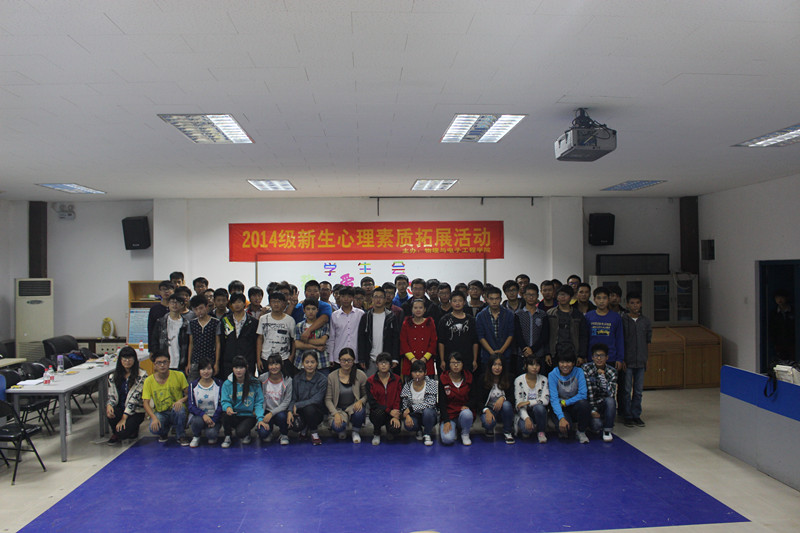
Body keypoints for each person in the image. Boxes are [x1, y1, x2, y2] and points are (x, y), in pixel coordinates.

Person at [142, 352, 190, 446]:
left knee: (180, 410)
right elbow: (145, 403)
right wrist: (153, 417)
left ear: (169, 362)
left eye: (165, 362)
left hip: (175, 409)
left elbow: (189, 394)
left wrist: (181, 400)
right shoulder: (148, 381)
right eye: (159, 363)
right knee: (153, 429)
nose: (162, 365)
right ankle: (163, 432)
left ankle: (181, 435)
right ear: (154, 365)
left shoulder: (179, 375)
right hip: (161, 412)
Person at [622, 291, 652, 427]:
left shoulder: (645, 321)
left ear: (641, 304)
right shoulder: (623, 320)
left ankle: (636, 415)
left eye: (637, 303)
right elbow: (621, 341)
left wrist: (647, 359)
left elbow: (647, 342)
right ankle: (627, 415)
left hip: (641, 360)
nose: (635, 305)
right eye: (632, 303)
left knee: (638, 391)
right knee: (626, 390)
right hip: (627, 361)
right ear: (627, 304)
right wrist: (622, 358)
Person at [105, 346, 148, 445]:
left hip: (135, 411)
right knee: (110, 411)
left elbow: (134, 399)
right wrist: (109, 405)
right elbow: (111, 395)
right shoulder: (113, 376)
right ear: (120, 360)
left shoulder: (142, 376)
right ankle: (115, 432)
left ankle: (130, 429)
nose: (127, 361)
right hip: (120, 408)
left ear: (134, 360)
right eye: (124, 359)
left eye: (130, 359)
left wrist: (124, 418)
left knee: (123, 434)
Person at [220, 355, 264, 448]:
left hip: (249, 416)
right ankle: (227, 436)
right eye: (236, 368)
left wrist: (260, 418)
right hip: (234, 414)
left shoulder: (254, 383)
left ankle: (246, 432)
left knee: (240, 432)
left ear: (246, 367)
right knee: (224, 415)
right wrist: (228, 407)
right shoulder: (227, 384)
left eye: (241, 367)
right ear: (232, 368)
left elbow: (259, 402)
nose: (238, 370)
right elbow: (224, 400)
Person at [325, 348, 368, 443]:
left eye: (349, 360)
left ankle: (355, 431)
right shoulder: (332, 376)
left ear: (354, 361)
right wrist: (335, 414)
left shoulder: (360, 375)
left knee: (360, 411)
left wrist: (360, 401)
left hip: (353, 407)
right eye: (343, 360)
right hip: (338, 409)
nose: (346, 363)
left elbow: (366, 395)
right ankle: (342, 428)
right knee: (337, 427)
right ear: (339, 360)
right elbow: (328, 400)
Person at [548, 352, 591, 444]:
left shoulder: (579, 372)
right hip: (559, 407)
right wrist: (561, 418)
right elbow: (554, 399)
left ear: (573, 363)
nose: (565, 365)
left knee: (584, 404)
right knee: (565, 430)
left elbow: (583, 394)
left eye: (568, 362)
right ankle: (563, 423)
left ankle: (581, 431)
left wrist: (565, 402)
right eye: (562, 362)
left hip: (573, 405)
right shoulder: (552, 375)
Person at [357, 286, 400, 376]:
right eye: (376, 297)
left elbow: (395, 338)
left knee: (386, 383)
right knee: (370, 383)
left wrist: (395, 358)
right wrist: (361, 358)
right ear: (372, 299)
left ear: (385, 299)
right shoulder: (366, 316)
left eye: (381, 297)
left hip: (387, 359)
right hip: (370, 359)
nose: (378, 300)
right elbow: (361, 338)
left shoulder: (391, 317)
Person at [288, 351, 327, 445]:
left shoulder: (322, 379)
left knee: (309, 408)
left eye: (312, 362)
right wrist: (290, 410)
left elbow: (317, 399)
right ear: (302, 364)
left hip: (316, 412)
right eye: (307, 362)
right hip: (300, 411)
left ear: (317, 363)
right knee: (295, 425)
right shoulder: (297, 378)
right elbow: (293, 398)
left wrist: (297, 405)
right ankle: (305, 427)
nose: (310, 365)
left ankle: (314, 433)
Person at [475, 353, 515, 444]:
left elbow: (513, 398)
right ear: (490, 366)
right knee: (488, 423)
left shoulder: (509, 377)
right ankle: (489, 428)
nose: (497, 368)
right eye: (494, 365)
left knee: (507, 404)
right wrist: (486, 411)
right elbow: (479, 400)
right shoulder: (482, 378)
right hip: (489, 409)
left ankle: (507, 431)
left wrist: (503, 398)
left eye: (500, 365)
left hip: (503, 410)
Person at [545, 285, 589, 366]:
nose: (563, 297)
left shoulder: (578, 315)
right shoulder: (550, 314)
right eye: (560, 294)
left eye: (566, 295)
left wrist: (581, 355)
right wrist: (547, 353)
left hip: (573, 353)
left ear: (571, 297)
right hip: (554, 353)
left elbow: (583, 336)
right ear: (556, 296)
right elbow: (546, 335)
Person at [476, 286, 516, 373]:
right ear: (487, 299)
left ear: (501, 299)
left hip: (505, 355)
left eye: (497, 299)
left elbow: (511, 334)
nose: (494, 302)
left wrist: (501, 351)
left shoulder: (509, 314)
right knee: (487, 380)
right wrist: (492, 352)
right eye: (491, 299)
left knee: (505, 379)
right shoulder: (481, 316)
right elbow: (480, 336)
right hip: (487, 356)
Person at [438, 290, 479, 373]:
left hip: (467, 358)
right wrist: (442, 360)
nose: (457, 303)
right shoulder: (444, 319)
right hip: (449, 358)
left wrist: (475, 360)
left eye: (460, 301)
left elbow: (475, 341)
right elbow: (441, 342)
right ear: (450, 302)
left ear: (464, 302)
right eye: (454, 301)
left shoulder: (471, 320)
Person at [439, 351, 475, 446]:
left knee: (467, 414)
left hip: (463, 413)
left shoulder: (469, 377)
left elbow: (474, 398)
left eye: (458, 362)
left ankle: (465, 433)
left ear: (462, 364)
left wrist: (467, 405)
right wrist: (446, 420)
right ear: (449, 364)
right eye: (453, 363)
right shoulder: (443, 378)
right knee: (447, 439)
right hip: (449, 415)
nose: (456, 365)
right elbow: (441, 403)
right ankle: (453, 428)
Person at [366, 352, 403, 445]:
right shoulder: (370, 381)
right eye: (381, 362)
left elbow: (399, 398)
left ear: (390, 365)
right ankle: (377, 432)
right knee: (378, 414)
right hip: (378, 412)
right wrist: (388, 410)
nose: (383, 365)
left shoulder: (397, 379)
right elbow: (372, 402)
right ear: (376, 364)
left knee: (395, 430)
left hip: (393, 412)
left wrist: (396, 414)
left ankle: (389, 429)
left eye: (386, 363)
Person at [583, 343, 617, 442]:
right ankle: (595, 421)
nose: (599, 358)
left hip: (603, 404)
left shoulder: (612, 371)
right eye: (596, 355)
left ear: (607, 357)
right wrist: (592, 410)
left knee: (611, 401)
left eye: (601, 356)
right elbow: (588, 391)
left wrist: (603, 377)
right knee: (596, 426)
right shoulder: (586, 368)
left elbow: (611, 393)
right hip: (590, 405)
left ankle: (607, 430)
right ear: (592, 357)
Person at [219, 292, 259, 377]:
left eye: (239, 302)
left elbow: (255, 343)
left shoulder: (253, 322)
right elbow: (222, 342)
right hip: (229, 361)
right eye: (234, 302)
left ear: (244, 303)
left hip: (247, 361)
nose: (236, 304)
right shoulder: (225, 320)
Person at [256, 291, 296, 376]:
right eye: (273, 301)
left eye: (279, 301)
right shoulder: (263, 318)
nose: (276, 304)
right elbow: (260, 338)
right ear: (270, 303)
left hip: (284, 359)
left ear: (284, 303)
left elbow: (294, 340)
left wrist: (291, 357)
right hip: (265, 358)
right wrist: (258, 359)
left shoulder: (290, 320)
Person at [257, 354, 293, 445]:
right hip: (266, 411)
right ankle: (269, 432)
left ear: (281, 365)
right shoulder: (262, 378)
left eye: (276, 364)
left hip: (280, 411)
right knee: (263, 433)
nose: (274, 367)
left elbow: (286, 402)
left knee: (282, 417)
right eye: (271, 364)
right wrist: (260, 416)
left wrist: (271, 413)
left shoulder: (288, 380)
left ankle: (284, 434)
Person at [400, 359, 438, 446]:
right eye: (415, 372)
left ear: (425, 372)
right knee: (407, 424)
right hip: (414, 415)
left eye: (420, 372)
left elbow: (431, 403)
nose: (417, 374)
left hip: (429, 414)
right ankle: (418, 430)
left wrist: (412, 408)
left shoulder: (431, 383)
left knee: (428, 412)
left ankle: (427, 434)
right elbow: (404, 405)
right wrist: (407, 415)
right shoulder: (407, 385)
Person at [585, 287, 624, 368]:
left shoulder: (616, 317)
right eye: (599, 298)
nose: (601, 301)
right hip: (592, 357)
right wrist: (584, 356)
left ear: (609, 299)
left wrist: (620, 358)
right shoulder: (588, 316)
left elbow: (619, 339)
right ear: (594, 300)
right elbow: (585, 338)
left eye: (604, 298)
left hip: (611, 357)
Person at [326, 286, 365, 368]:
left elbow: (364, 336)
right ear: (339, 297)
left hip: (356, 356)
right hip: (338, 356)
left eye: (349, 297)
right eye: (343, 296)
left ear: (353, 298)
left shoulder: (361, 314)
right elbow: (332, 337)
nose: (346, 299)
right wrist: (331, 357)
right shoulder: (335, 315)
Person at [515, 283, 550, 372]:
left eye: (533, 295)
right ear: (524, 296)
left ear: (537, 296)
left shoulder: (543, 314)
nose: (531, 297)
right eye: (528, 295)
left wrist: (533, 349)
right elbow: (517, 334)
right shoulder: (518, 314)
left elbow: (544, 335)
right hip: (523, 354)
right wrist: (525, 349)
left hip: (539, 354)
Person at [187, 360, 223, 448]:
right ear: (199, 371)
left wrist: (214, 419)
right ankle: (196, 436)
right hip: (199, 416)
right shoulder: (193, 385)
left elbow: (221, 404)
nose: (206, 372)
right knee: (196, 421)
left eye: (209, 369)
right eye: (203, 369)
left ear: (213, 370)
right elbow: (191, 406)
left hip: (214, 417)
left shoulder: (219, 384)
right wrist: (203, 415)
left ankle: (212, 431)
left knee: (211, 435)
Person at [514, 355, 549, 443]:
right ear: (526, 366)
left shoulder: (544, 379)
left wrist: (529, 402)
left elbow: (545, 400)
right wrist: (526, 418)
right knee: (527, 431)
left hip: (538, 411)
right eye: (531, 365)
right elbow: (519, 404)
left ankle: (541, 432)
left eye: (537, 365)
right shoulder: (519, 380)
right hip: (524, 411)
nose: (535, 367)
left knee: (539, 407)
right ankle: (523, 422)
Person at [151, 293, 190, 371]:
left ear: (182, 305)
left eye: (177, 302)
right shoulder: (160, 322)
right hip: (163, 363)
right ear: (168, 304)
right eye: (172, 302)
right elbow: (154, 340)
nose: (174, 305)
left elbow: (189, 344)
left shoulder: (186, 324)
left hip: (181, 362)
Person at [400, 299, 438, 377]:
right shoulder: (406, 323)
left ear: (425, 310)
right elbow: (403, 342)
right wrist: (412, 359)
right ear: (412, 309)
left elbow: (433, 342)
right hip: (410, 362)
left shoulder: (430, 323)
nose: (418, 310)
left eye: (420, 308)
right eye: (415, 308)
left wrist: (425, 358)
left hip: (426, 362)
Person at [186, 294, 221, 380]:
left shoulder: (216, 322)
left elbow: (218, 343)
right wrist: (189, 363)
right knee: (192, 384)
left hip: (210, 360)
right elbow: (191, 344)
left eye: (201, 308)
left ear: (206, 307)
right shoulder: (192, 323)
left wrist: (217, 363)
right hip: (195, 360)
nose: (199, 311)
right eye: (196, 309)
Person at [294, 298, 331, 375]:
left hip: (321, 363)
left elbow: (322, 341)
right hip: (302, 363)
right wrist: (316, 347)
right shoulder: (299, 326)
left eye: (313, 309)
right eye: (308, 309)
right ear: (304, 310)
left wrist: (304, 340)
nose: (311, 312)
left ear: (317, 310)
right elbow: (297, 344)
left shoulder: (324, 325)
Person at [769, 289, 795, 361]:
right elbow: (772, 328)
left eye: (782, 297)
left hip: (792, 342)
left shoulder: (793, 311)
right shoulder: (773, 313)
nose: (779, 300)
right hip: (779, 342)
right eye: (777, 298)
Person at [147, 280, 174, 350]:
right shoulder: (154, 309)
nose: (166, 291)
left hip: (174, 345)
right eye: (163, 289)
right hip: (159, 346)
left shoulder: (177, 308)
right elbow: (150, 330)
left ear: (173, 291)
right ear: (159, 292)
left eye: (169, 289)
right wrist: (151, 349)